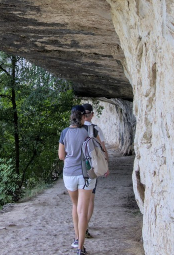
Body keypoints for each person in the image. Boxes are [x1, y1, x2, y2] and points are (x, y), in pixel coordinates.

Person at [59, 105, 93, 255]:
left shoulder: (64, 132)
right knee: (83, 210)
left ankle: (76, 238)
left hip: (69, 174)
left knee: (75, 205)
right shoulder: (86, 132)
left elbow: (61, 156)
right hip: (84, 174)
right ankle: (80, 248)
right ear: (82, 117)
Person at [82, 103, 109, 239]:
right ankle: (85, 225)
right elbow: (102, 148)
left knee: (78, 201)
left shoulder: (73, 129)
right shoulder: (95, 129)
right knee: (90, 199)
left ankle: (80, 227)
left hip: (76, 169)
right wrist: (106, 165)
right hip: (91, 168)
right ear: (91, 114)